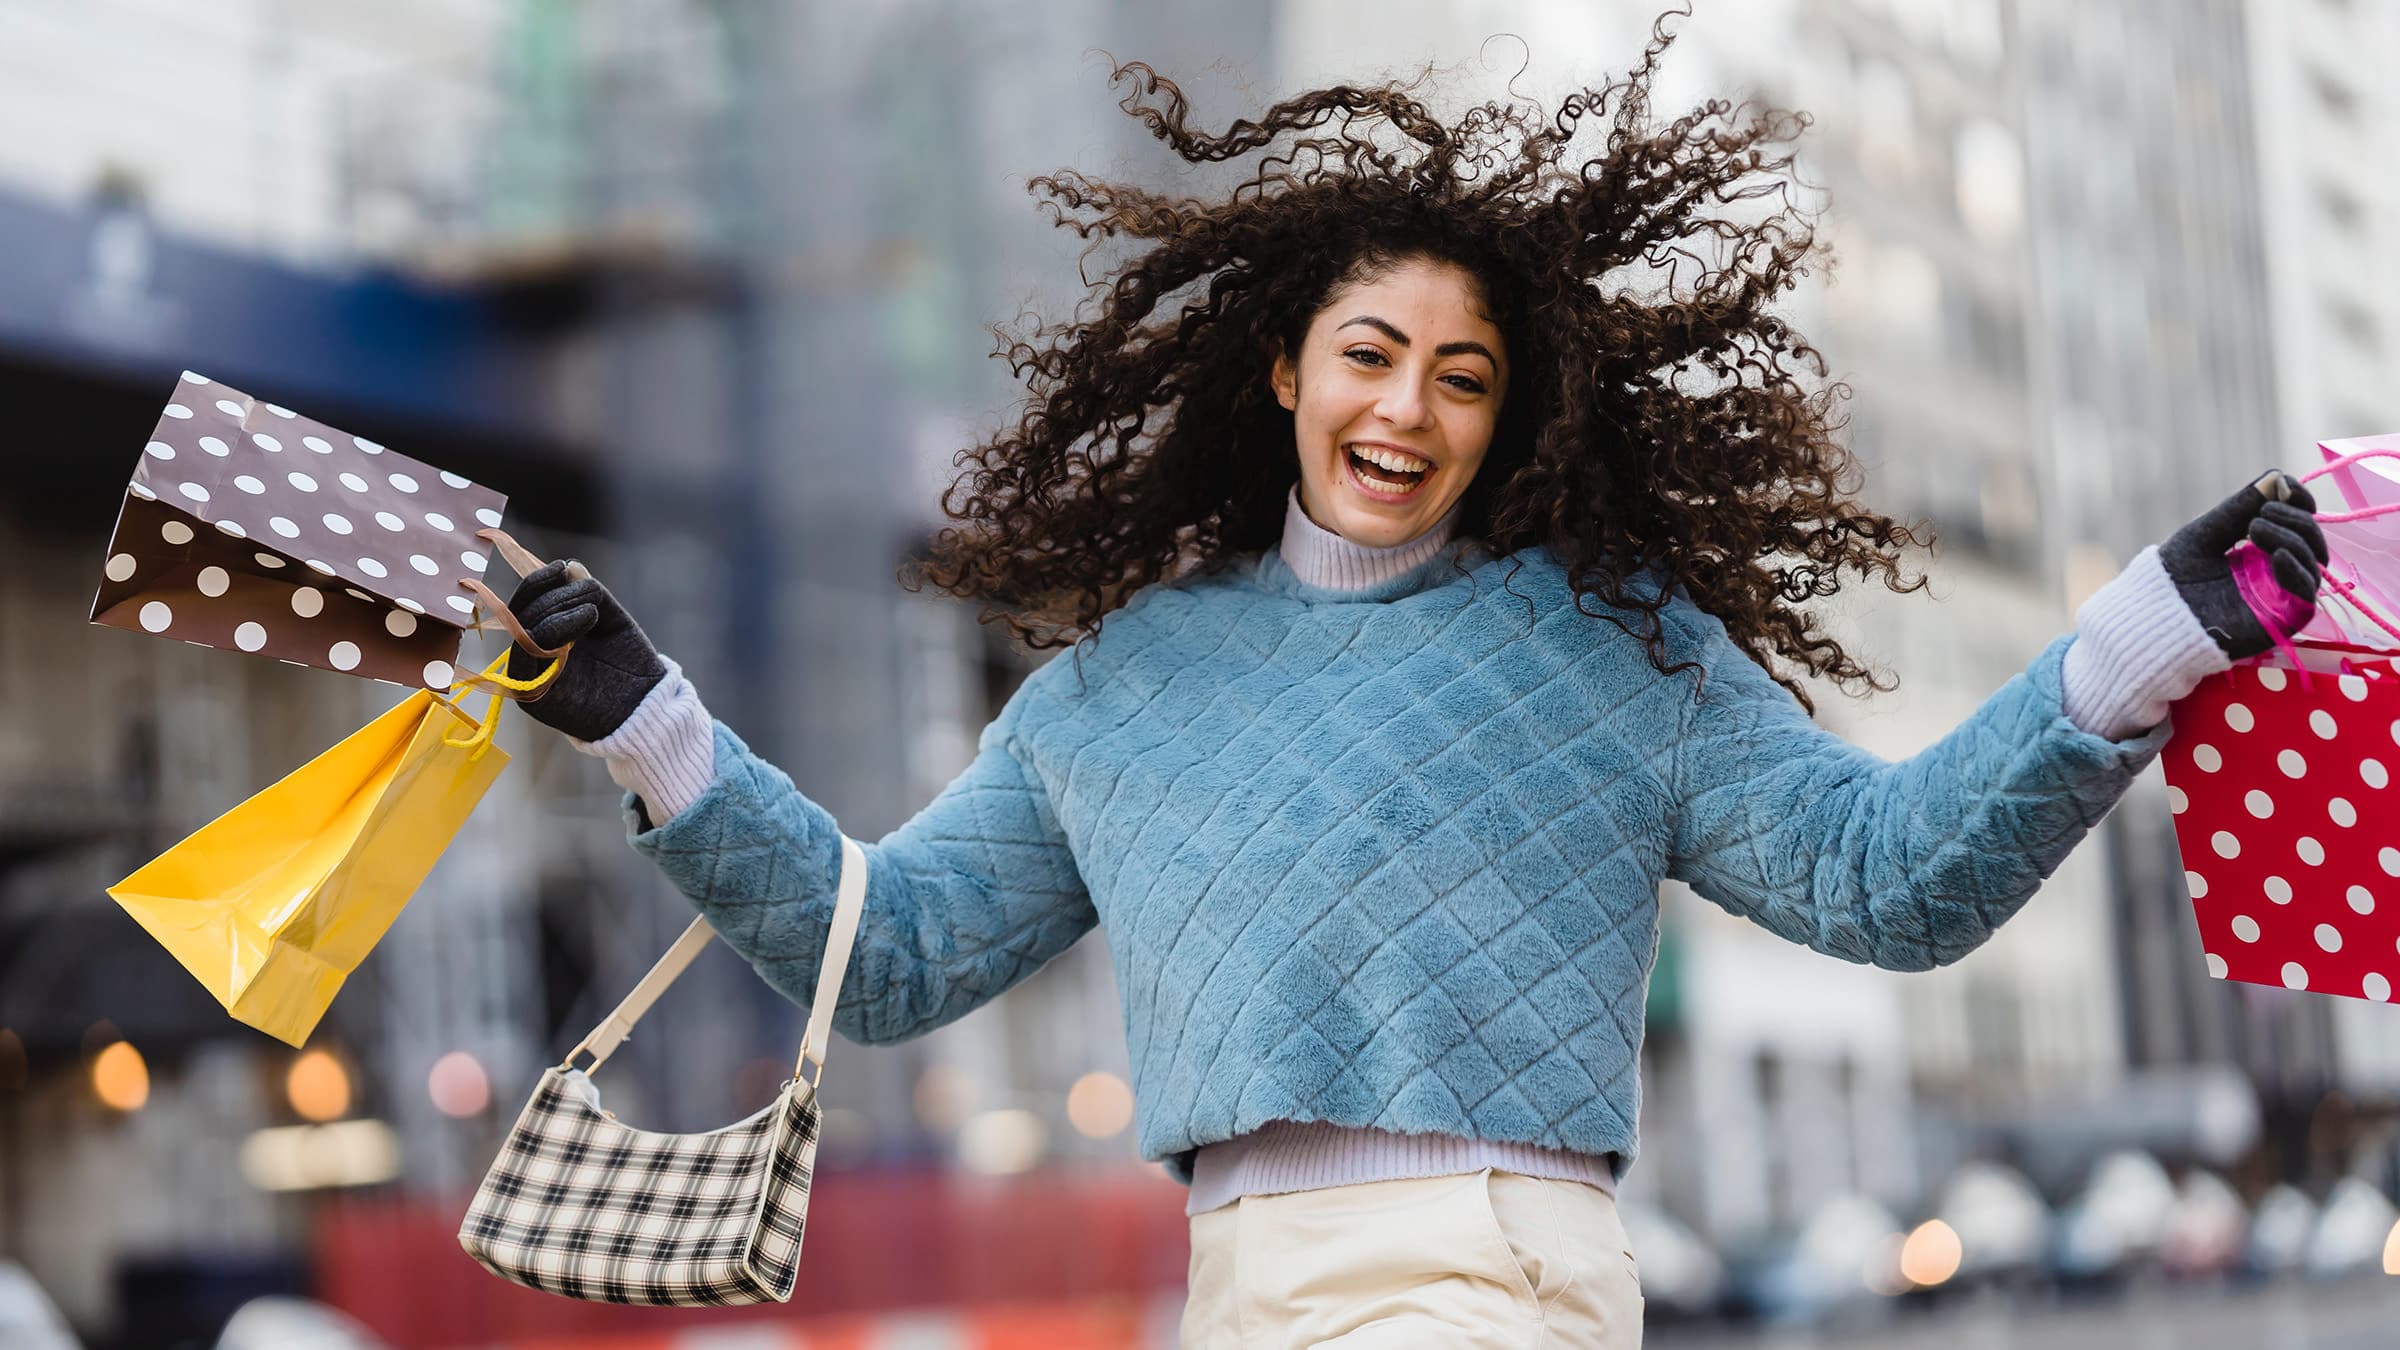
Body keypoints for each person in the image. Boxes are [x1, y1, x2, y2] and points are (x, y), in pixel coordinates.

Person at [498, 17, 2328, 1347]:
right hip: (1235, 1287)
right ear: (1283, 371)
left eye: (1465, 376)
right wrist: (652, 727)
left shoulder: (1617, 648)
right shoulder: (1123, 685)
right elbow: (885, 956)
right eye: (1372, 353)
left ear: (1508, 414)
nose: (1409, 408)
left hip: (1498, 1271)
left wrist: (2149, 634)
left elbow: (1890, 876)